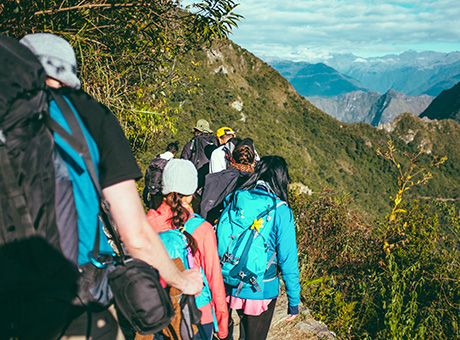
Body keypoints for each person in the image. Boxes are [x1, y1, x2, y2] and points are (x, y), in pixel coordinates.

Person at [18, 33, 202, 337]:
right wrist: (183, 281)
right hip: (72, 298)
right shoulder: (87, 114)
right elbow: (136, 237)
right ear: (67, 76)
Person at [147, 159, 229, 340]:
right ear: (192, 192)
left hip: (158, 314)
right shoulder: (202, 229)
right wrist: (222, 325)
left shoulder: (148, 223)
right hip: (196, 315)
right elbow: (214, 279)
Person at [222, 156, 301, 340]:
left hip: (232, 279)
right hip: (261, 287)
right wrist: (294, 301)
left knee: (241, 327)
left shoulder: (236, 197)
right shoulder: (281, 210)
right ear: (281, 178)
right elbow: (288, 260)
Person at [200, 139, 256, 224]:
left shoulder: (215, 178)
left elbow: (205, 208)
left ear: (232, 159)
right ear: (254, 161)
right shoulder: (257, 184)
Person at [180, 119, 218, 189]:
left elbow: (183, 160)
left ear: (197, 131)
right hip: (211, 177)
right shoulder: (214, 142)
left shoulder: (192, 143)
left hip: (195, 177)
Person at [143, 142, 179, 210]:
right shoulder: (172, 161)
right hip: (162, 191)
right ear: (175, 152)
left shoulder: (156, 158)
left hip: (152, 189)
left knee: (153, 210)